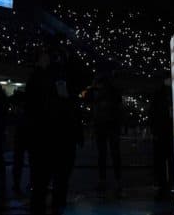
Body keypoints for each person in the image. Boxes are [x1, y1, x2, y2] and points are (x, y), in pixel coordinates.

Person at [26, 39, 84, 215]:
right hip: (52, 135)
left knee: (46, 184)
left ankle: (49, 207)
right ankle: (53, 207)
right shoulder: (43, 76)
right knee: (51, 183)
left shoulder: (48, 75)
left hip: (51, 136)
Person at [89, 70, 123, 195]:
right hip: (111, 125)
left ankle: (103, 180)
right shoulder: (113, 92)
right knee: (114, 154)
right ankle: (117, 181)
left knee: (102, 155)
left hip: (102, 126)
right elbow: (118, 107)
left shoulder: (97, 93)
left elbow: (90, 102)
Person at [149, 76, 174, 200]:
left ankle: (162, 182)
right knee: (168, 157)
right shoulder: (170, 94)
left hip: (161, 130)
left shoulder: (159, 94)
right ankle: (168, 181)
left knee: (161, 158)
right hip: (167, 129)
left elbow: (153, 113)